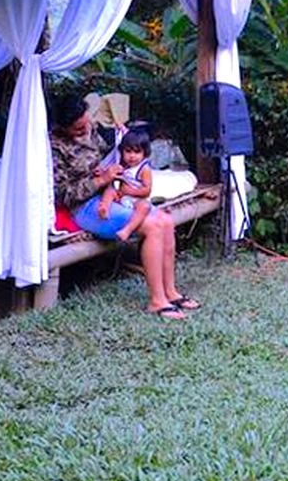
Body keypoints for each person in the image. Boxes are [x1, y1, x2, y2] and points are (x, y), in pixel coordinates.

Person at [50, 94, 201, 320]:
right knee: (152, 226)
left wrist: (120, 146)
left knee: (166, 221)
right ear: (63, 128)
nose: (85, 130)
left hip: (114, 193)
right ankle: (157, 300)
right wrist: (99, 181)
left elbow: (108, 155)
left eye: (86, 123)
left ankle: (171, 292)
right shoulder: (53, 148)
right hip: (85, 206)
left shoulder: (91, 129)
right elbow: (62, 194)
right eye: (78, 129)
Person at [97, 128, 154, 243]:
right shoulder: (123, 164)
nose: (132, 156)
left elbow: (147, 190)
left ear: (145, 153)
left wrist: (130, 192)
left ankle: (127, 230)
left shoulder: (144, 169)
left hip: (136, 199)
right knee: (110, 190)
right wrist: (102, 172)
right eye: (128, 151)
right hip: (122, 196)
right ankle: (104, 207)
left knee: (145, 207)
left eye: (137, 152)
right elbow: (112, 173)